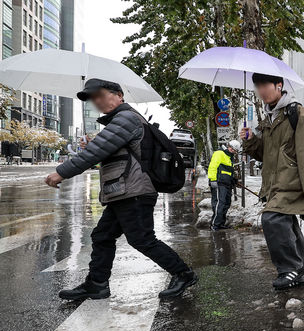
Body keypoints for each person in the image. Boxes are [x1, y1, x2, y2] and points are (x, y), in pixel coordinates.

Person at [44, 78, 197, 300]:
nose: (97, 101)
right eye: (93, 98)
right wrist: (96, 144)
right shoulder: (121, 120)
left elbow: (93, 154)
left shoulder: (125, 118)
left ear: (119, 95)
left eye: (101, 95)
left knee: (142, 239)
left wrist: (61, 172)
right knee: (102, 236)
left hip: (134, 191)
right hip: (124, 191)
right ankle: (97, 284)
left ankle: (183, 273)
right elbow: (109, 152)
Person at [241, 73, 304, 291]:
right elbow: (266, 153)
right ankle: (298, 271)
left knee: (272, 219)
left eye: (265, 84)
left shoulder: (296, 113)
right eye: (258, 86)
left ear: (279, 85)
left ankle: (290, 269)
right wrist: (250, 141)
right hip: (276, 182)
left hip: (293, 179)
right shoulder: (270, 118)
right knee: (287, 223)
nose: (261, 90)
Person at [208, 140, 241, 231]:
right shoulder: (219, 153)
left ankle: (220, 223)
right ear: (230, 147)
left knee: (227, 203)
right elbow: (213, 167)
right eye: (234, 150)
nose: (235, 152)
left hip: (227, 183)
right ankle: (215, 225)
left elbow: (227, 171)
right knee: (220, 203)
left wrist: (233, 179)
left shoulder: (229, 156)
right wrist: (212, 180)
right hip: (219, 183)